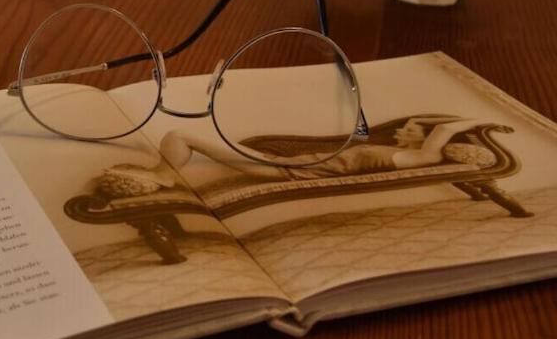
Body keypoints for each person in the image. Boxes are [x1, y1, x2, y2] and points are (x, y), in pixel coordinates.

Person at [98, 116, 497, 197]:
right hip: (285, 163)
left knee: (181, 134)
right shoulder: (396, 152)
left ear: (424, 137)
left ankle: (163, 176)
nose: (399, 131)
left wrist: (478, 122)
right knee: (183, 133)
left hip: (286, 172)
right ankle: (162, 173)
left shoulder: (416, 159)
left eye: (409, 129)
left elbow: (443, 132)